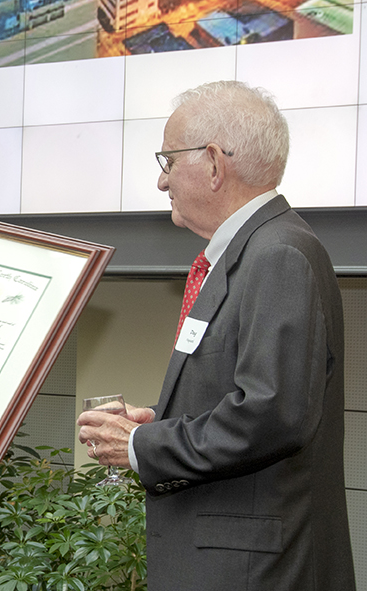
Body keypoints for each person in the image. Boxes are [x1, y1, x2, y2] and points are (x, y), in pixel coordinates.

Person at [78, 80, 356, 590]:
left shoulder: (278, 254)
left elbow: (272, 414)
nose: (162, 183)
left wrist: (144, 445)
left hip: (255, 571)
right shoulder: (250, 252)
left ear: (212, 163)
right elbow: (247, 397)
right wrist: (161, 421)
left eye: (167, 161)